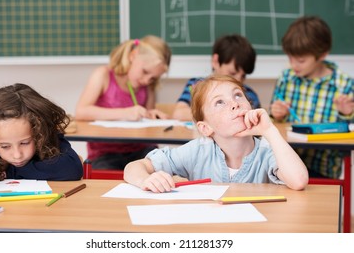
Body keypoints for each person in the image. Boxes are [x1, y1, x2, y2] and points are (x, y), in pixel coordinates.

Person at [124, 75, 308, 193]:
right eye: (219, 102)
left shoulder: (267, 151)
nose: (234, 104)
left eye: (237, 95)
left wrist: (269, 131)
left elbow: (299, 181)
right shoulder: (197, 151)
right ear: (205, 128)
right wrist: (146, 179)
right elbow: (132, 168)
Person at [270, 15, 354, 179]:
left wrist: (346, 114)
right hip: (285, 167)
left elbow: (349, 134)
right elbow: (273, 126)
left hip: (322, 169)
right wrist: (276, 115)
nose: (293, 65)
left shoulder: (343, 85)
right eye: (290, 58)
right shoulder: (286, 79)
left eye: (300, 60)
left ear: (322, 55)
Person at [75, 35, 172, 170]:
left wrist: (151, 114)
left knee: (160, 169)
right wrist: (125, 113)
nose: (146, 80)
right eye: (145, 72)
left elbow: (146, 120)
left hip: (141, 150)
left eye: (153, 78)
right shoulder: (103, 75)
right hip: (105, 154)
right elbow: (81, 112)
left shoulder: (147, 86)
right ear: (133, 55)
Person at [0, 83, 83, 190]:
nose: (17, 155)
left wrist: (5, 172)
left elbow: (72, 168)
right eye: (5, 146)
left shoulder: (47, 137)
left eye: (25, 143)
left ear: (39, 132)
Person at [172, 34, 261, 121]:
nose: (238, 80)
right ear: (215, 61)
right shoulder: (196, 85)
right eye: (232, 73)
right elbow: (179, 113)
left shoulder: (249, 94)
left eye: (243, 76)